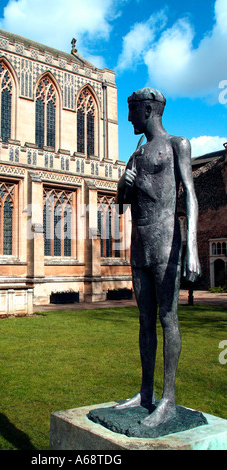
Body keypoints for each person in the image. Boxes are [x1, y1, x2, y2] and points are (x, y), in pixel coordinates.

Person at [115, 87, 201, 427]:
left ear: (148, 109)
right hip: (140, 243)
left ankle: (169, 399)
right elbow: (120, 202)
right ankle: (145, 392)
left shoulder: (177, 145)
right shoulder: (135, 155)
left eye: (132, 110)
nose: (128, 117)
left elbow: (190, 196)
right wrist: (124, 183)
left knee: (168, 318)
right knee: (144, 320)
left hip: (167, 240)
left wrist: (192, 247)